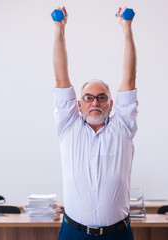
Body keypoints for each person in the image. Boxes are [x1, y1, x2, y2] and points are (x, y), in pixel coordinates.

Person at [52, 6, 138, 240]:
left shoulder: (123, 128)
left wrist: (126, 28)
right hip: (73, 232)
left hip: (117, 234)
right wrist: (59, 30)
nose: (95, 102)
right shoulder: (68, 127)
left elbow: (129, 78)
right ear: (79, 105)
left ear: (111, 104)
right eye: (88, 98)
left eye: (102, 98)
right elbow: (61, 78)